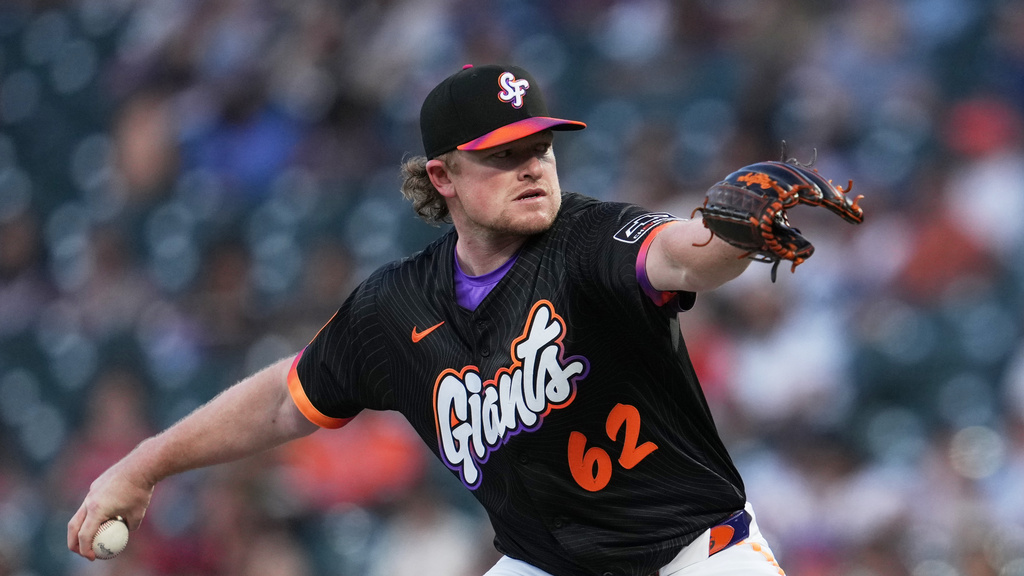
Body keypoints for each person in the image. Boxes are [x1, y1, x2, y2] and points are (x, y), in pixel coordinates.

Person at [69, 64, 793, 576]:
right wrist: (144, 465)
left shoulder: (589, 238)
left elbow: (682, 256)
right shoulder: (395, 306)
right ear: (442, 177)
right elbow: (285, 401)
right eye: (504, 155)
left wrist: (730, 237)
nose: (534, 167)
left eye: (541, 149)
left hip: (695, 556)